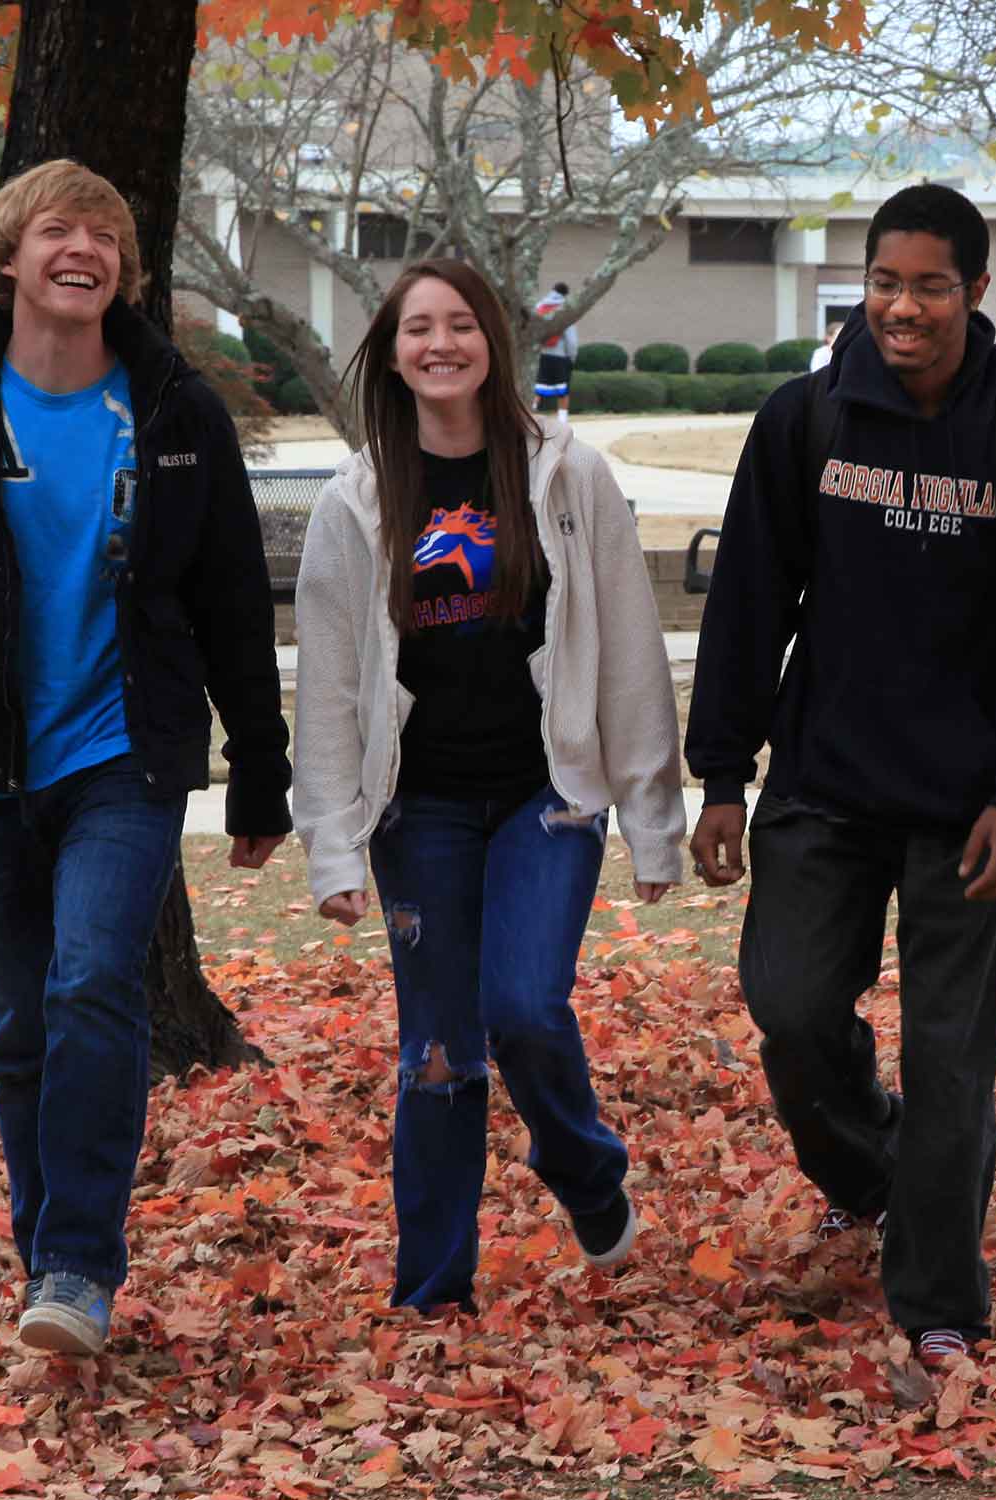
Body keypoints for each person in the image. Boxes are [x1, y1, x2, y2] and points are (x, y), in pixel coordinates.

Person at [0, 159, 296, 1357]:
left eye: (103, 233)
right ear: (10, 257)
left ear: (122, 269)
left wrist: (260, 769)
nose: (80, 249)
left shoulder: (175, 410)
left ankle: (80, 1265)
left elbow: (237, 597)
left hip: (125, 758)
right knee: (22, 1027)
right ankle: (52, 1273)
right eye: (55, 231)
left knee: (94, 984)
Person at [683, 184, 996, 1373]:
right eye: (883, 283)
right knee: (791, 1009)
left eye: (928, 285)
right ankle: (872, 1170)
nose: (902, 307)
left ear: (975, 291)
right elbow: (751, 602)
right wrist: (722, 769)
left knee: (950, 1058)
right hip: (823, 786)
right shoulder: (805, 423)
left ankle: (938, 1302)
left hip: (967, 808)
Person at [292, 259, 682, 1312]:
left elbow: (633, 653)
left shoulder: (567, 476)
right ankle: (431, 1295)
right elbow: (328, 689)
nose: (441, 344)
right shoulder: (358, 500)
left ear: (492, 344)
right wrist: (331, 842)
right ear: (393, 350)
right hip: (415, 814)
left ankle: (585, 1170)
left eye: (460, 325)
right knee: (438, 1053)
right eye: (418, 328)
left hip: (544, 798)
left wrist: (652, 821)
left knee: (522, 1007)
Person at [530, 282, 578, 414]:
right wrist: (572, 357)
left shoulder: (539, 307)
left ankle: (529, 413)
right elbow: (571, 340)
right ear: (566, 294)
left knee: (538, 388)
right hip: (560, 356)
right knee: (563, 392)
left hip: (541, 355)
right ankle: (562, 423)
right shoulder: (566, 310)